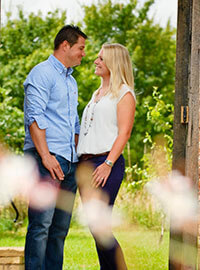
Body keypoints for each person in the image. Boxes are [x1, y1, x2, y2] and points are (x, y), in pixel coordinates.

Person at [23, 25, 87, 270]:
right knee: (41, 225)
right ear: (65, 46)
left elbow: (74, 123)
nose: (83, 54)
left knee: (60, 229)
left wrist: (75, 158)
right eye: (80, 48)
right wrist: (46, 156)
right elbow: (35, 117)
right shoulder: (42, 74)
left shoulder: (71, 81)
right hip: (46, 160)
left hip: (69, 162)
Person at [77, 43, 136, 270]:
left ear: (113, 62)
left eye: (101, 58)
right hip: (87, 163)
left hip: (105, 163)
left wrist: (108, 163)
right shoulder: (97, 94)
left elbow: (125, 132)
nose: (95, 61)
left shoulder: (124, 93)